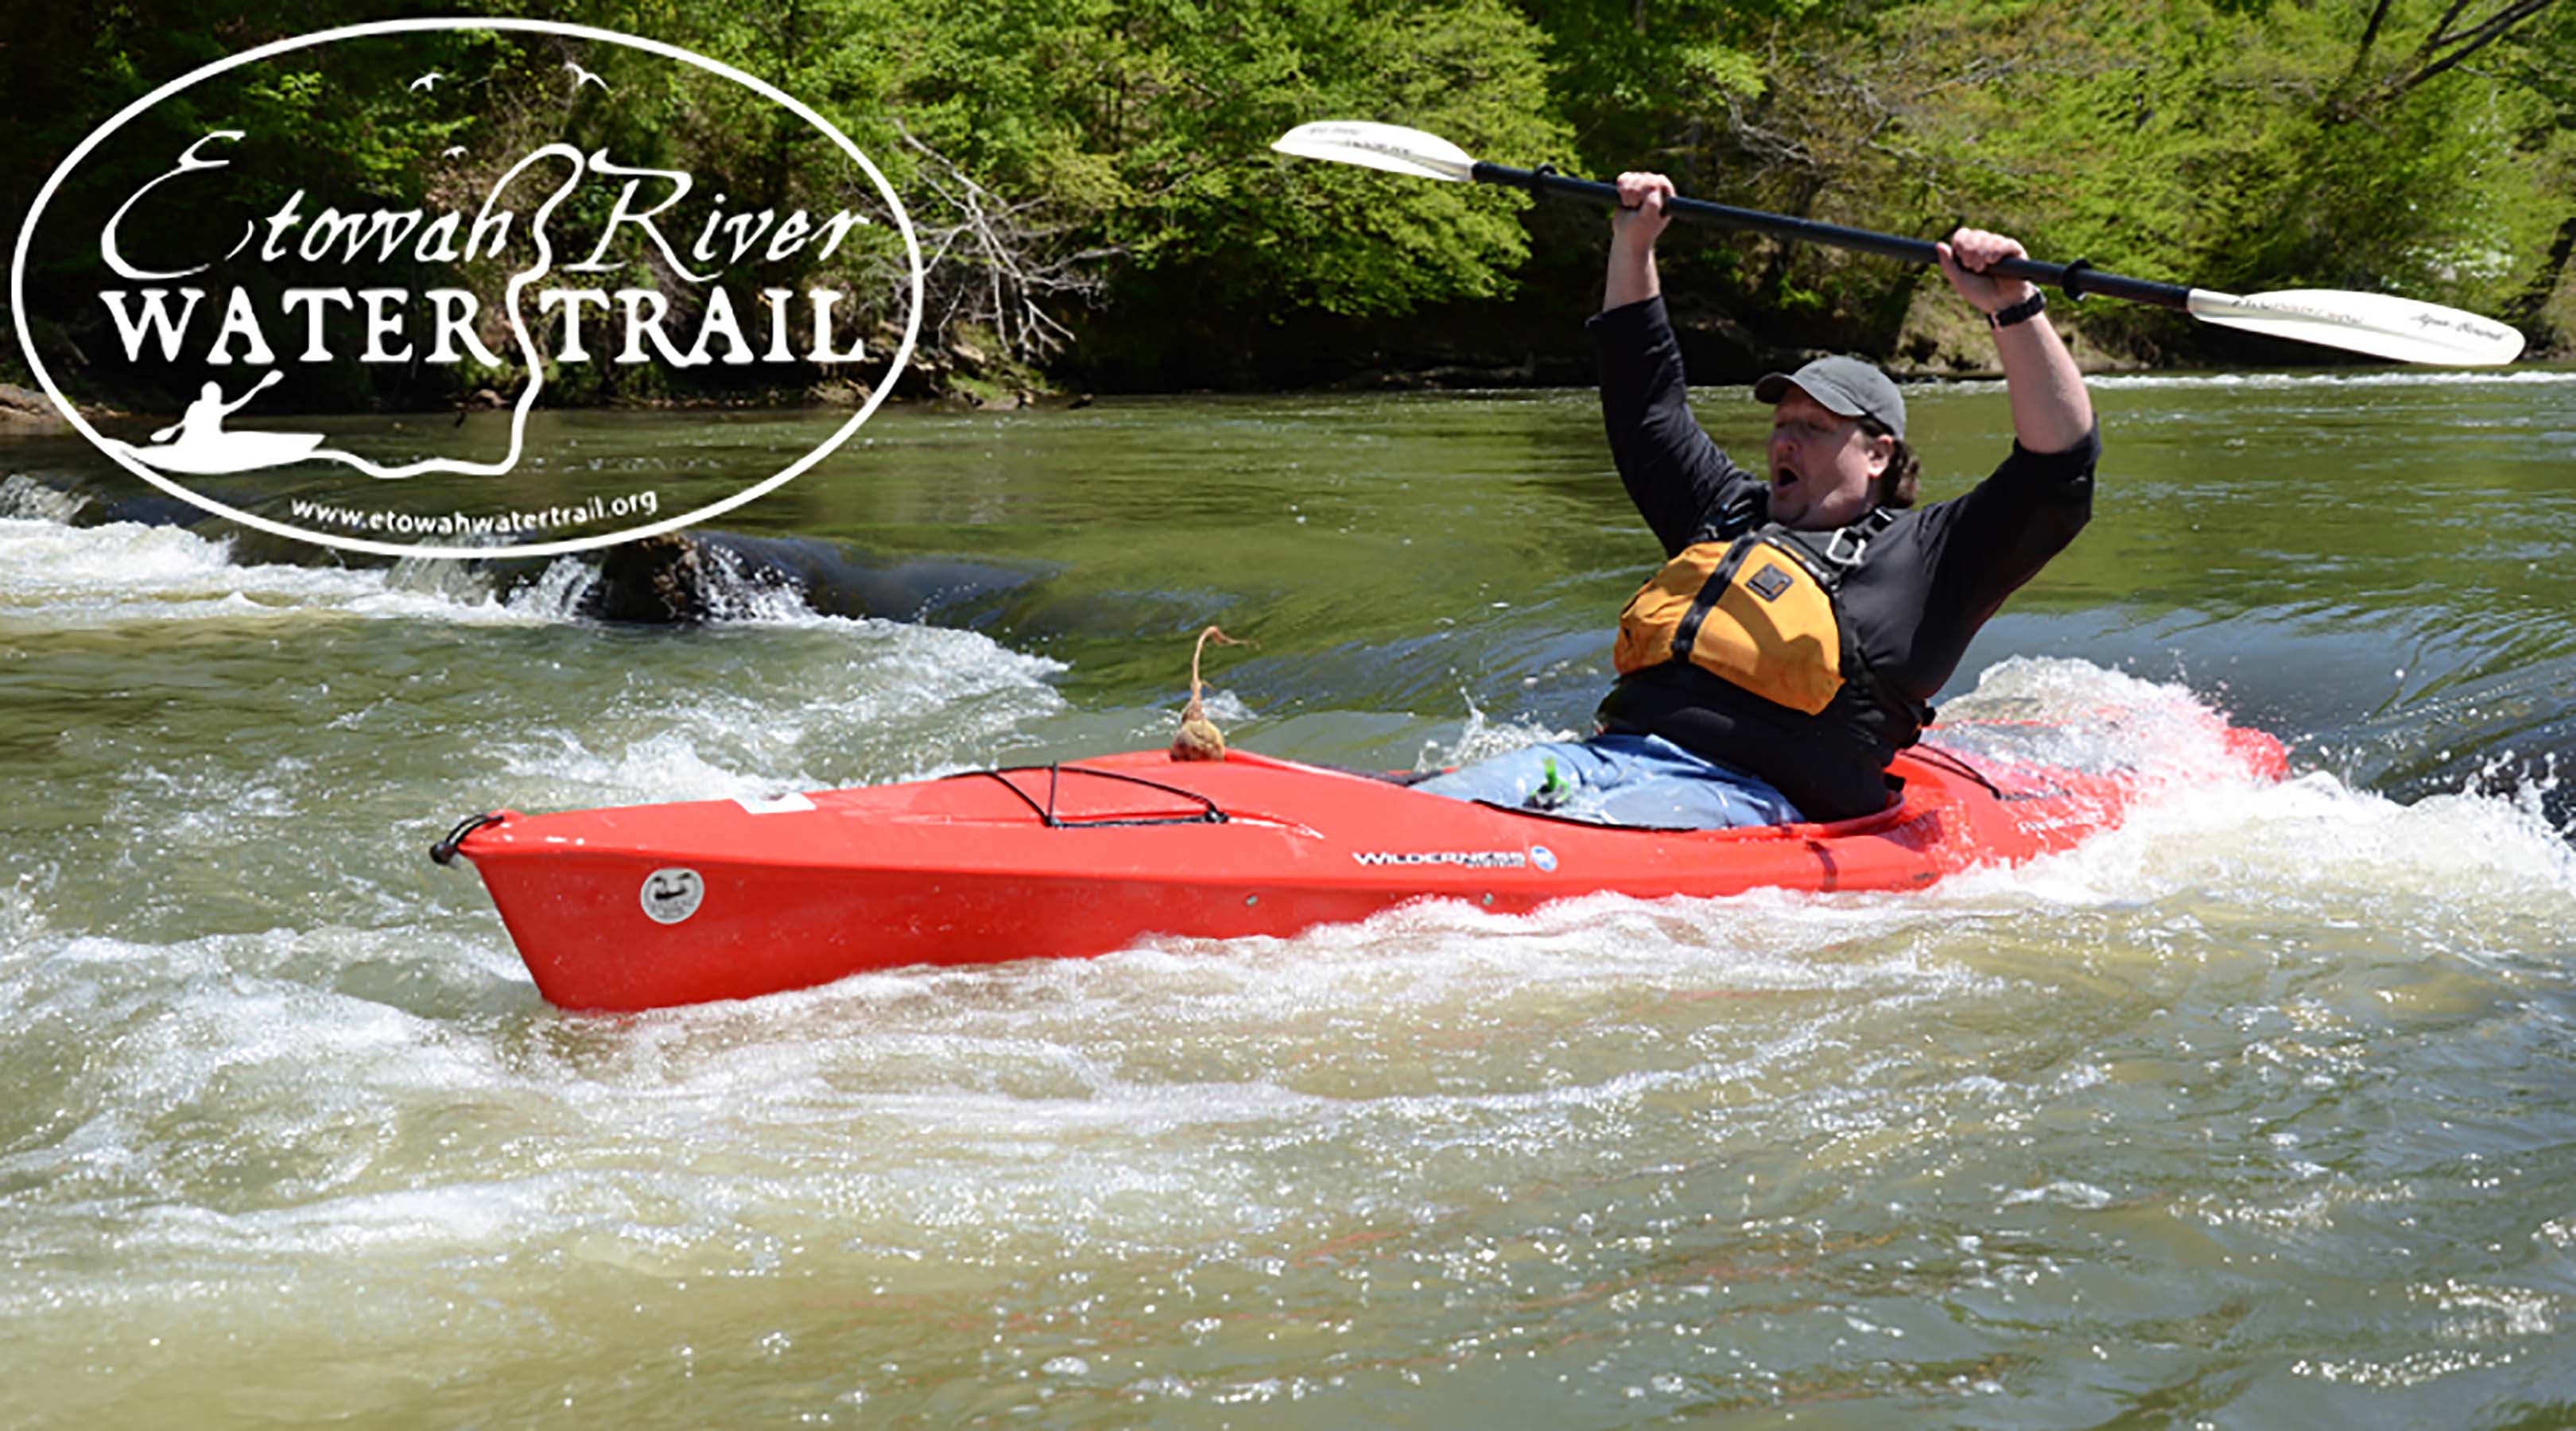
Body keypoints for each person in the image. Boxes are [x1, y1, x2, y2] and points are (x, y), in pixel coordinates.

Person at [1415, 172, 2097, 828]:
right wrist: (1634, 240)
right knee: (1442, 809)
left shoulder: (1928, 559)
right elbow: (1643, 402)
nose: (1785, 442)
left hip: (1749, 802)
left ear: (1879, 453)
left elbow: (2057, 470)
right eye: (1780, 425)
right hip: (1602, 759)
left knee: (1582, 827)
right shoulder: (1727, 512)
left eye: (1814, 427)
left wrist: (2013, 306)